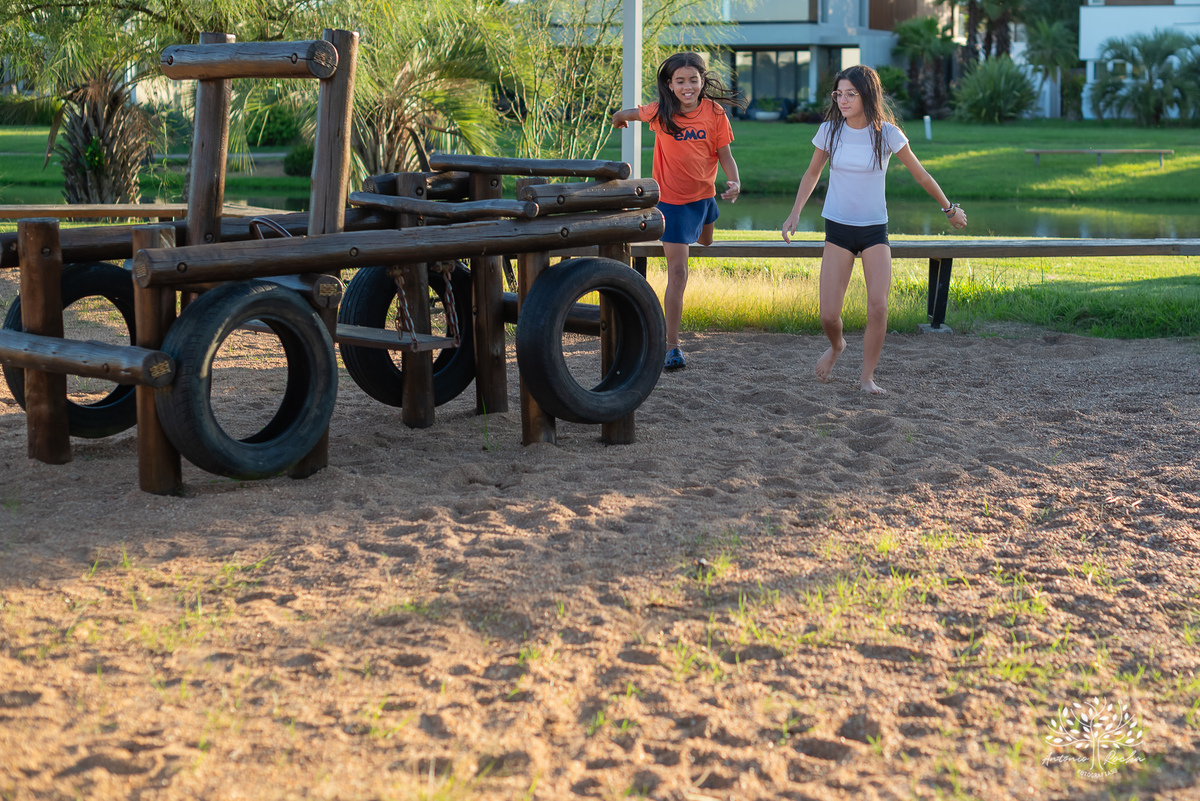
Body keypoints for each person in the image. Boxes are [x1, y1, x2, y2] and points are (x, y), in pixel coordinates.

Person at [782, 65, 967, 394]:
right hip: (837, 228)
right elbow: (812, 174)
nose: (843, 99)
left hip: (873, 231)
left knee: (878, 306)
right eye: (838, 93)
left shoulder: (888, 134)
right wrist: (795, 212)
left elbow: (921, 174)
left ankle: (867, 377)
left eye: (850, 93)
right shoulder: (829, 131)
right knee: (828, 315)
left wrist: (949, 209)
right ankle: (837, 346)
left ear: (867, 95)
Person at [613, 52, 745, 371]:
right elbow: (631, 112)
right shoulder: (661, 112)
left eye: (693, 80)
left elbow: (724, 154)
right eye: (680, 81)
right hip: (670, 203)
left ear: (702, 81)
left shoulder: (714, 113)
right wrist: (619, 117)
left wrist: (735, 180)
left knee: (707, 242)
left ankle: (700, 230)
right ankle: (672, 346)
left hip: (704, 198)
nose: (687, 86)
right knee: (679, 272)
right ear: (670, 85)